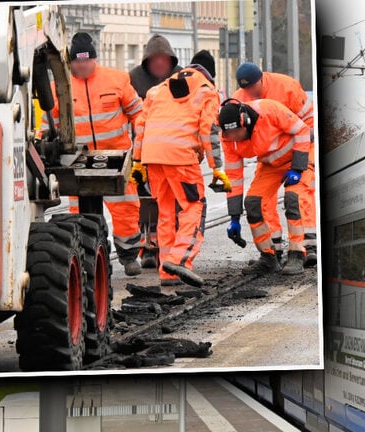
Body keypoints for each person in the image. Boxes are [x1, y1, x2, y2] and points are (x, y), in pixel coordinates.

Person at [43, 32, 145, 275]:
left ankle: (129, 256)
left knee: (126, 207)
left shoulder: (117, 80)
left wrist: (139, 147)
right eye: (77, 61)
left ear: (94, 59)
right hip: (77, 161)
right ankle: (87, 257)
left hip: (117, 158)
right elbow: (51, 125)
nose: (83, 65)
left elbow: (139, 114)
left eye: (87, 60)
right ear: (71, 62)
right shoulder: (60, 87)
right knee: (80, 213)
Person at [132, 54, 230, 287]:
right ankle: (180, 260)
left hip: (152, 156)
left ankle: (168, 271)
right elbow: (209, 130)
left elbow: (141, 125)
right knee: (193, 207)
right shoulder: (207, 90)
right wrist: (217, 168)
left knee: (166, 212)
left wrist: (137, 161)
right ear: (210, 73)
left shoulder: (159, 89)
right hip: (181, 155)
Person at [233, 62, 317, 267]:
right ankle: (273, 249)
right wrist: (234, 214)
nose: (250, 92)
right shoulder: (238, 102)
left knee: (296, 195)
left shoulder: (286, 87)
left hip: (300, 149)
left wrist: (299, 165)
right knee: (258, 201)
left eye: (253, 87)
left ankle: (306, 246)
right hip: (270, 160)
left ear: (262, 78)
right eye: (246, 89)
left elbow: (309, 124)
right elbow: (234, 169)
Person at [219, 98, 314, 275]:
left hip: (300, 157)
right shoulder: (228, 139)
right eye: (229, 134)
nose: (234, 138)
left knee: (293, 198)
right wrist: (234, 217)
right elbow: (234, 176)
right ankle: (268, 257)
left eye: (237, 132)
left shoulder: (269, 110)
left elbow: (302, 131)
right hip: (271, 164)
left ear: (245, 121)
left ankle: (297, 254)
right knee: (253, 202)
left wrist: (298, 168)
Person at [129, 35, 182, 270]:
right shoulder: (133, 79)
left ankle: (167, 248)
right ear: (147, 62)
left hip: (174, 149)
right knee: (145, 200)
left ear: (171, 60)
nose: (160, 64)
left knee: (171, 201)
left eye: (164, 59)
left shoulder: (182, 77)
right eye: (155, 60)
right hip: (143, 149)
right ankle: (147, 248)